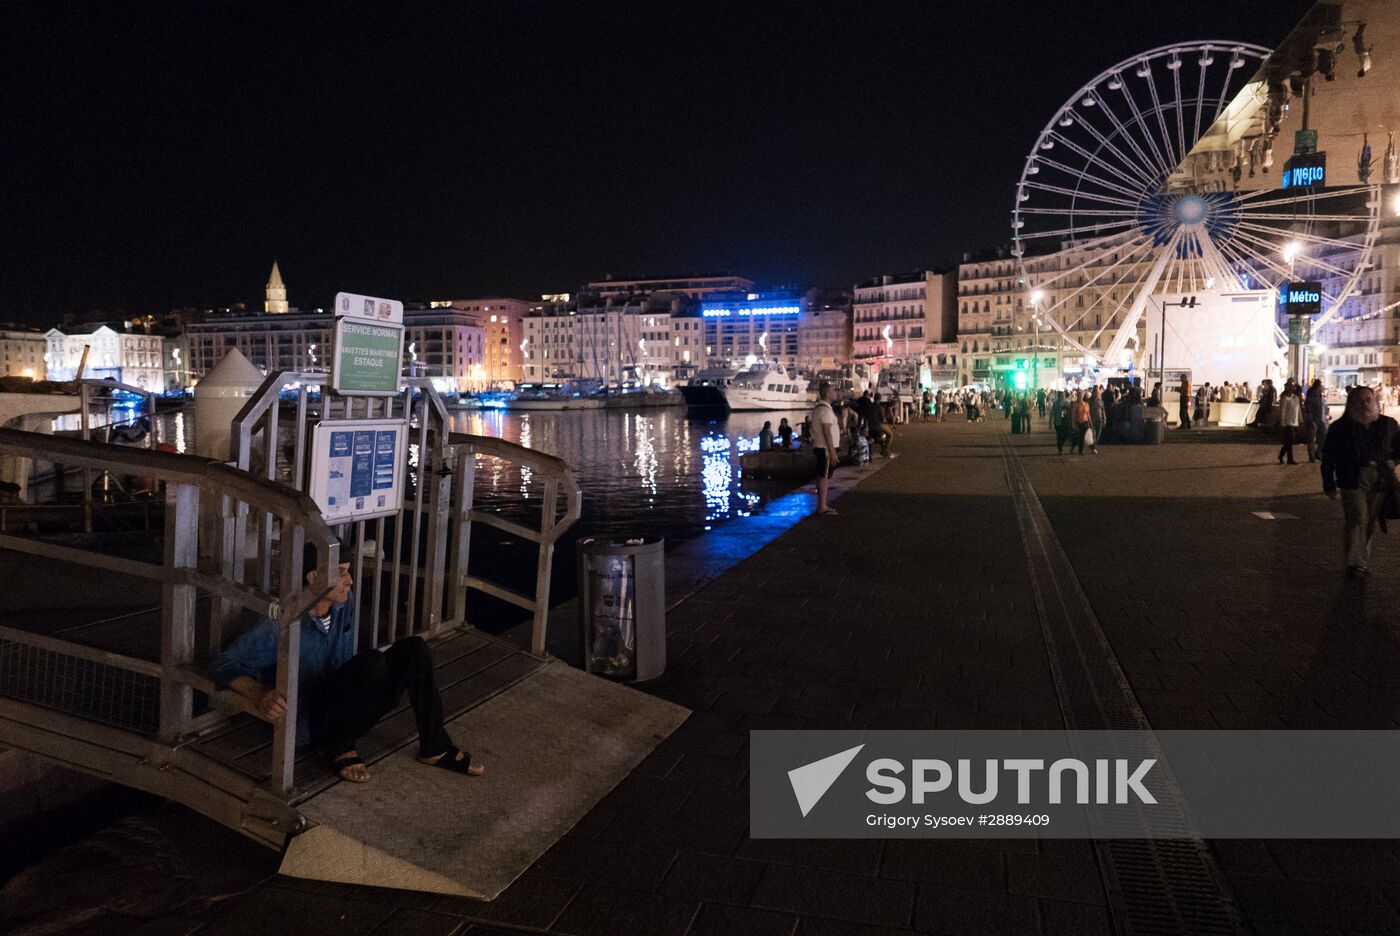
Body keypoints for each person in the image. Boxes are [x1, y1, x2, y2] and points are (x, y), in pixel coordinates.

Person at [209, 542, 484, 783]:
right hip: (309, 721)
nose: (350, 580)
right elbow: (223, 663)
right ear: (314, 577)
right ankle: (338, 745)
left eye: (348, 570)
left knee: (414, 648)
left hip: (342, 702)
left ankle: (434, 745)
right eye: (341, 572)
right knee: (373, 662)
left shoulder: (343, 602)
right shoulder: (282, 622)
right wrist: (259, 694)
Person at [1321, 386, 1400, 578]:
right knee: (1358, 518)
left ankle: (1361, 562)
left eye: (1368, 400)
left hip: (1380, 477)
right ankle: (1354, 563)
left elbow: (1399, 446)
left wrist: (1395, 459)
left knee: (1370, 520)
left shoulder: (1388, 424)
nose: (1364, 405)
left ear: (1375, 401)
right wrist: (1329, 483)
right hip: (1352, 477)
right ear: (1351, 404)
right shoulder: (1340, 428)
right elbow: (1329, 456)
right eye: (1359, 401)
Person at [810, 380, 840, 515]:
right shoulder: (825, 410)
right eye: (833, 391)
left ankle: (821, 505)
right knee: (824, 477)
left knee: (822, 475)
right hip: (825, 449)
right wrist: (833, 452)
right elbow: (827, 433)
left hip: (820, 447)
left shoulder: (819, 409)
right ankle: (822, 506)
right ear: (827, 394)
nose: (835, 393)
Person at [1277, 384, 1301, 465]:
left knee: (1289, 441)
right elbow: (1282, 411)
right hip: (1287, 422)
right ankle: (1289, 459)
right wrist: (1282, 422)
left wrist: (1300, 419)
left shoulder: (1296, 398)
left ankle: (1281, 455)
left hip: (1294, 421)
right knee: (1290, 440)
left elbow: (1298, 409)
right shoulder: (1284, 398)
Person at [1304, 379, 1327, 463]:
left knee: (1324, 436)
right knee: (1311, 439)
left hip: (1320, 419)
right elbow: (1308, 408)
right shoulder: (1312, 395)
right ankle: (1311, 456)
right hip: (1313, 420)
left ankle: (1318, 452)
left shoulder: (1320, 395)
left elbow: (1322, 407)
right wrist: (1311, 420)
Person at [1088, 386, 1105, 455]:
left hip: (1100, 419)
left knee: (1098, 434)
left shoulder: (1101, 401)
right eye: (1095, 391)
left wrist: (1104, 417)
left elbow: (1103, 410)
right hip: (1092, 419)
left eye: (1097, 391)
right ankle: (1094, 448)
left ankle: (1092, 445)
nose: (1096, 392)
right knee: (1094, 435)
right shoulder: (1089, 401)